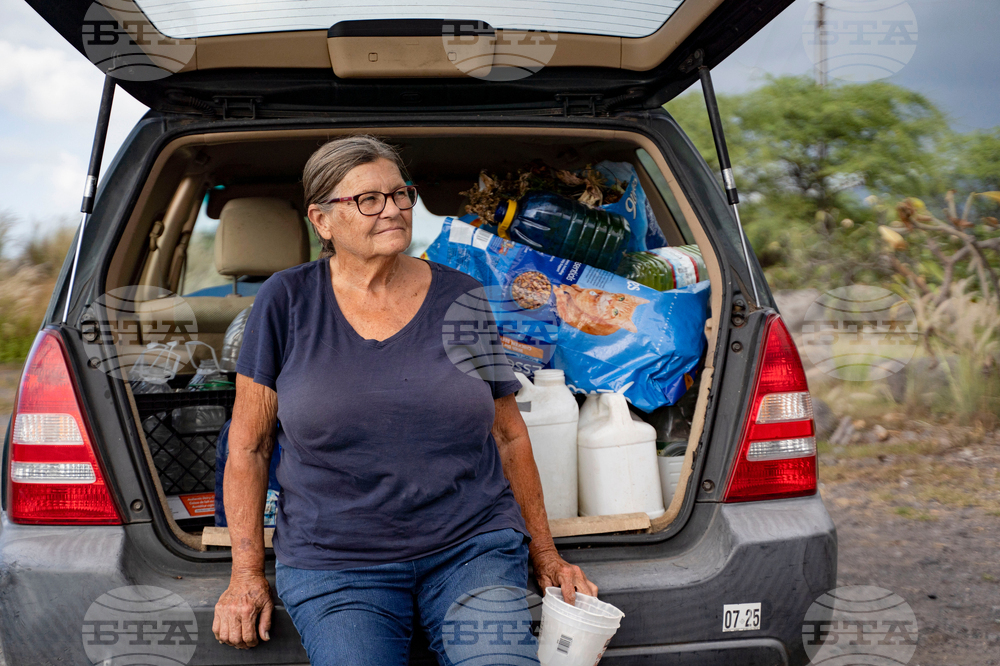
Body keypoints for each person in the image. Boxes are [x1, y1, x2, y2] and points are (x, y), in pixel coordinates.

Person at [212, 135, 597, 665]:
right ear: (322, 221)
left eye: (400, 194)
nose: (392, 209)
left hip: (470, 547)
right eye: (368, 199)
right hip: (336, 564)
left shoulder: (460, 297)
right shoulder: (286, 299)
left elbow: (507, 433)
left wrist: (546, 554)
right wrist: (246, 575)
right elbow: (249, 447)